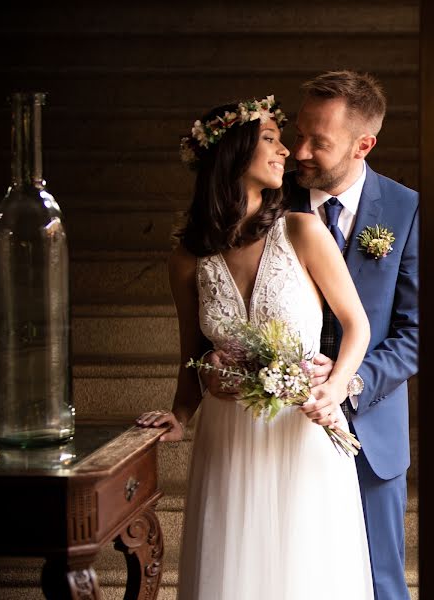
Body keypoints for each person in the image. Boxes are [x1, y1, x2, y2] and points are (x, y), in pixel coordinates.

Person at [136, 95, 373, 600]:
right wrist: (182, 413)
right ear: (233, 153)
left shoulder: (302, 230)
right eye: (270, 138)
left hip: (300, 434)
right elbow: (191, 351)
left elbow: (357, 326)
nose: (286, 150)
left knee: (304, 573)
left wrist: (332, 391)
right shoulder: (187, 257)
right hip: (226, 438)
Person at [286, 71, 419, 600]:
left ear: (364, 145)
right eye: (299, 133)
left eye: (319, 142)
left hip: (372, 432)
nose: (300, 151)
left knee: (382, 582)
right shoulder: (273, 204)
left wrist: (349, 381)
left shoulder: (405, 208)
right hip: (282, 425)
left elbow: (414, 332)